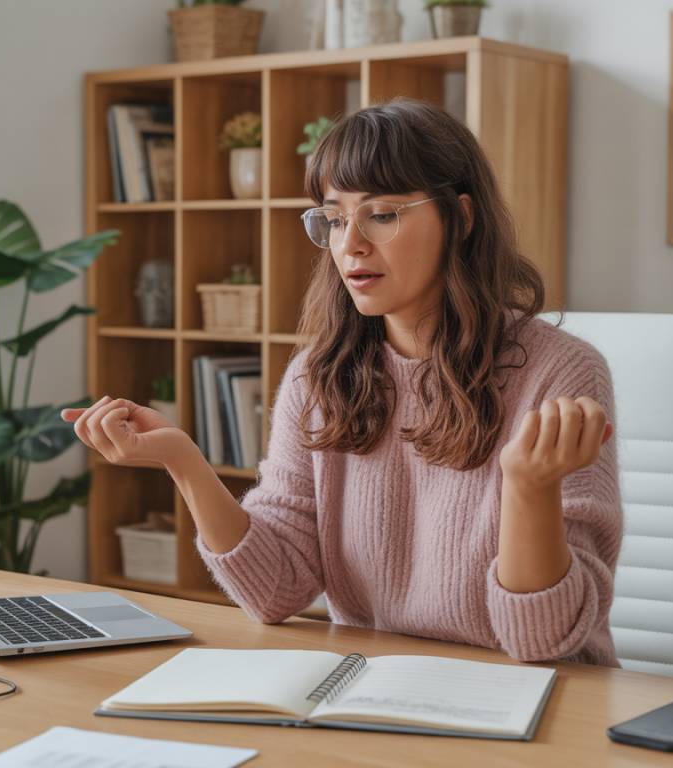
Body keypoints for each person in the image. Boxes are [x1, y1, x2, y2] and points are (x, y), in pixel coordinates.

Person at [62, 98, 623, 667]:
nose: (350, 243)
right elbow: (275, 590)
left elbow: (541, 641)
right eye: (333, 219)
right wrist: (183, 461)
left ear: (462, 218)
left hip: (536, 701)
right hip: (377, 692)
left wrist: (529, 490)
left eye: (382, 214)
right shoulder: (318, 377)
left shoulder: (559, 373)